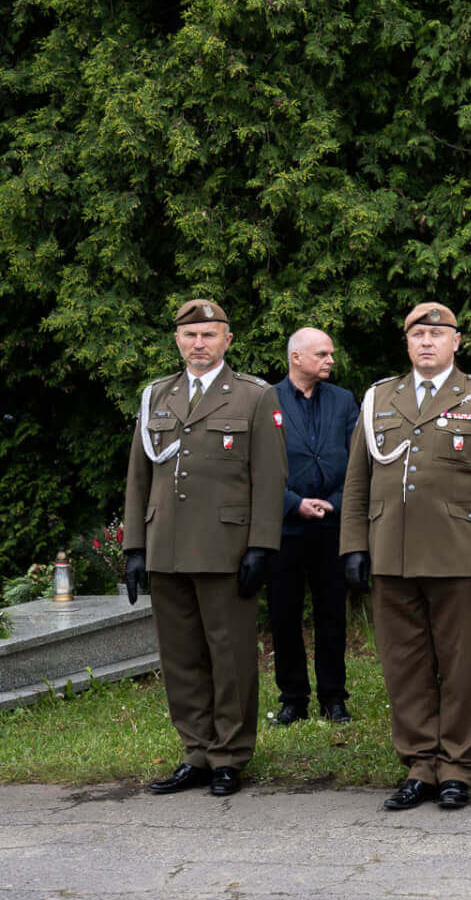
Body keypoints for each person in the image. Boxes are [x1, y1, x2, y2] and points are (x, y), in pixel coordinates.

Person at [340, 303, 471, 812]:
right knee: (404, 666)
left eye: (438, 334)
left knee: (460, 668)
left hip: (457, 555)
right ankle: (419, 766)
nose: (427, 342)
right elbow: (358, 481)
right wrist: (353, 545)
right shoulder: (379, 398)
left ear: (456, 342)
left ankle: (457, 768)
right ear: (407, 342)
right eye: (418, 334)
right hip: (389, 554)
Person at [122, 299, 288, 797]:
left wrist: (261, 545)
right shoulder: (157, 396)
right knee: (181, 656)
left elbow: (271, 477)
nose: (199, 344)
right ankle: (195, 751)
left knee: (230, 654)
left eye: (209, 335)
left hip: (226, 547)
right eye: (191, 335)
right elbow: (137, 477)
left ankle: (230, 756)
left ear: (227, 341)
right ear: (177, 340)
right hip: (166, 547)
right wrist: (134, 547)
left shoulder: (254, 397)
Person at [267, 328, 358, 726]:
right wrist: (293, 503)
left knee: (332, 615)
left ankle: (333, 698)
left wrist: (334, 503)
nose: (330, 360)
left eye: (331, 354)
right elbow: (258, 466)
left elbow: (358, 461)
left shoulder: (343, 400)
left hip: (332, 525)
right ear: (296, 358)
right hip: (284, 526)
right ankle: (293, 698)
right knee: (284, 615)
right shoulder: (265, 400)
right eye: (322, 354)